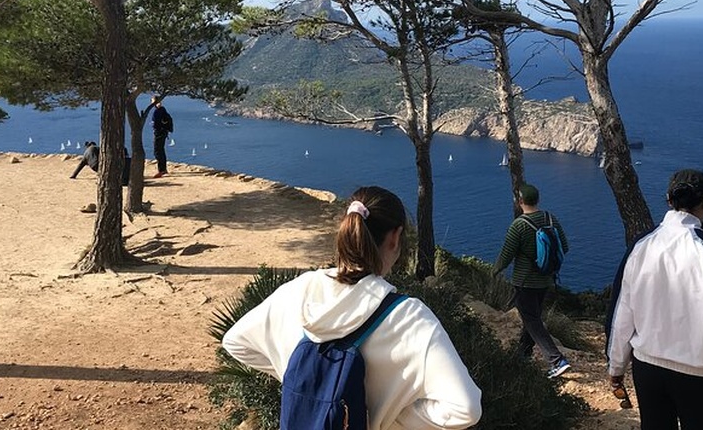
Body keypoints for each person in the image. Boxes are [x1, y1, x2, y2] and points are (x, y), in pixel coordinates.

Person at [222, 186, 482, 429]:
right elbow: (465, 409)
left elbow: (236, 341)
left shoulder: (302, 288)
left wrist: (304, 384)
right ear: (395, 238)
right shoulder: (409, 317)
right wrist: (386, 418)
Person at [605, 169, 703, 430]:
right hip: (700, 375)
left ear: (668, 199)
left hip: (648, 366)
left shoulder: (641, 246)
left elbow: (621, 316)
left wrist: (616, 366)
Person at [492, 183, 571, 379]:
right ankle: (523, 354)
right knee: (533, 316)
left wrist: (494, 271)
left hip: (525, 281)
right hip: (546, 279)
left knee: (532, 320)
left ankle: (556, 360)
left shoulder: (519, 225)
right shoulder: (550, 218)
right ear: (537, 199)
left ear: (520, 201)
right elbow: (565, 246)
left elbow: (506, 255)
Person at [150, 96, 173, 178]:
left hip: (159, 133)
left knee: (157, 151)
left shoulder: (158, 111)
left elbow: (156, 124)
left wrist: (155, 129)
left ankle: (161, 170)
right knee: (160, 150)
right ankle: (163, 169)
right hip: (163, 132)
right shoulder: (162, 110)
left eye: (152, 101)